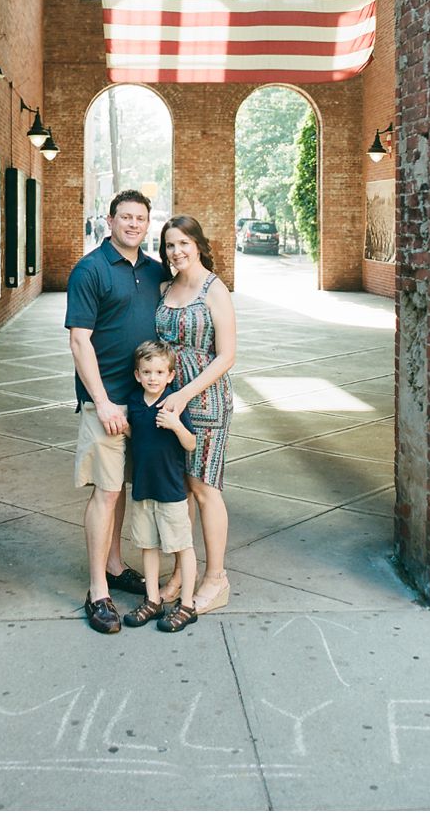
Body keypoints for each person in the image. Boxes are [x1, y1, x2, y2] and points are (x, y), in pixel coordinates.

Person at [67, 189, 169, 634]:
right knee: (105, 493)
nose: (133, 224)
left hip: (143, 404)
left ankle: (113, 564)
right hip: (105, 403)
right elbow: (79, 341)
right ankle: (97, 591)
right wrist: (104, 401)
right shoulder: (90, 269)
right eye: (125, 217)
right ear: (109, 221)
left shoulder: (154, 270)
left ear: (148, 224)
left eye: (140, 218)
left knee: (123, 488)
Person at [154, 214, 237, 614]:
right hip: (168, 400)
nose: (177, 251)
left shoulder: (214, 290)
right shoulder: (165, 286)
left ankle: (216, 578)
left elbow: (227, 355)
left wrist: (186, 393)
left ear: (199, 245)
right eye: (170, 245)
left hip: (204, 399)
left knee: (205, 488)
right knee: (179, 489)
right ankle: (179, 573)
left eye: (184, 243)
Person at [119, 341, 198, 632]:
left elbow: (190, 443)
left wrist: (176, 425)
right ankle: (153, 599)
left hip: (171, 490)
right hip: (143, 488)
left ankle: (187, 604)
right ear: (138, 375)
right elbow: (134, 434)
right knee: (148, 545)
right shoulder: (135, 402)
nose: (153, 377)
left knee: (182, 546)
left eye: (159, 372)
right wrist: (121, 425)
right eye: (147, 372)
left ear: (170, 375)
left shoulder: (173, 404)